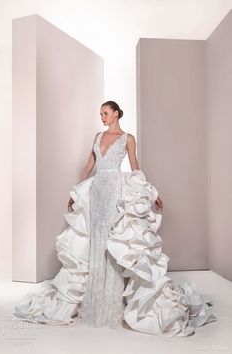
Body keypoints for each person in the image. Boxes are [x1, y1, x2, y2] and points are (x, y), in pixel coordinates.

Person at [13, 101, 216, 337]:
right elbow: (89, 166)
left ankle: (114, 300)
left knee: (113, 241)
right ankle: (95, 299)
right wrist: (75, 192)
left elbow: (136, 169)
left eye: (106, 113)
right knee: (96, 243)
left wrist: (152, 193)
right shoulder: (97, 137)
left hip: (115, 192)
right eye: (100, 114)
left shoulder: (128, 138)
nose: (102, 117)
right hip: (97, 192)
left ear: (117, 113)